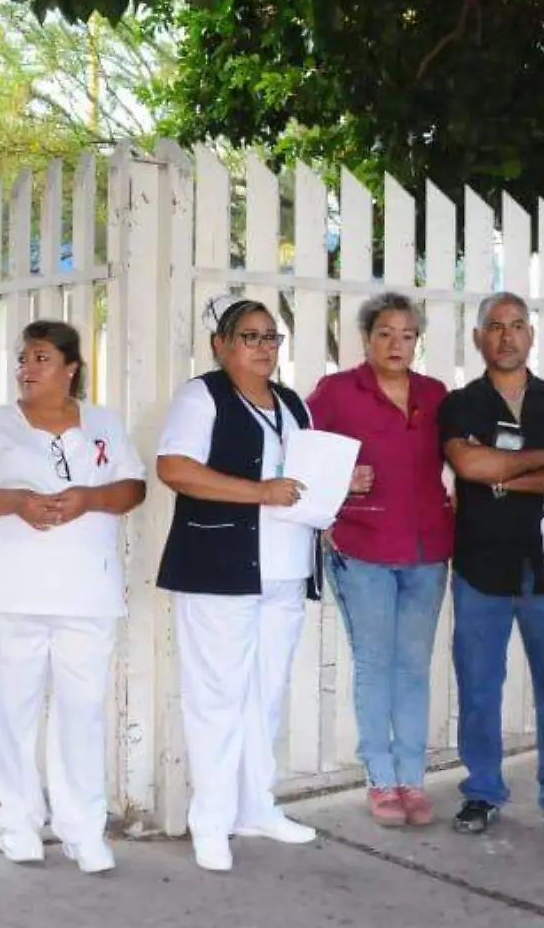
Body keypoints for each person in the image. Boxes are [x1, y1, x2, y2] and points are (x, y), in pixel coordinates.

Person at [0, 320, 146, 874]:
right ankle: (17, 819)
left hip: (87, 592)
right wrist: (16, 502)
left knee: (82, 713)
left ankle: (83, 827)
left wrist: (90, 498)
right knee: (11, 712)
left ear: (71, 367)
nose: (25, 369)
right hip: (9, 593)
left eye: (39, 358)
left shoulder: (103, 422)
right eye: (23, 359)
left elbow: (135, 486)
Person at [155, 297, 321, 872]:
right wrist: (259, 492)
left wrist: (342, 483)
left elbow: (302, 478)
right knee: (217, 698)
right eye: (249, 337)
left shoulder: (292, 403)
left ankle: (257, 806)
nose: (263, 348)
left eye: (271, 337)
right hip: (218, 568)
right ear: (220, 346)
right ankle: (211, 820)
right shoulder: (201, 396)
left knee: (264, 696)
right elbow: (174, 468)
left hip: (285, 569)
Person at [437, 292, 544, 837]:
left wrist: (502, 475)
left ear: (532, 336)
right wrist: (543, 457)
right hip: (481, 566)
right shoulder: (460, 403)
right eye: (495, 327)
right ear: (479, 338)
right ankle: (481, 791)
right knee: (479, 686)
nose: (507, 336)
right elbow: (467, 463)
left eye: (517, 326)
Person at [306, 292, 453, 827]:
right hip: (362, 545)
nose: (397, 344)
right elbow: (298, 455)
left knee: (414, 666)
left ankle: (412, 779)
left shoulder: (435, 394)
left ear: (418, 341)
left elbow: (459, 455)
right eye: (385, 333)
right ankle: (380, 779)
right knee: (374, 665)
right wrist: (339, 480)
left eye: (407, 335)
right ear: (366, 337)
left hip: (427, 549)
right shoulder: (338, 391)